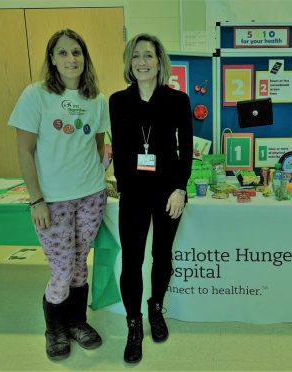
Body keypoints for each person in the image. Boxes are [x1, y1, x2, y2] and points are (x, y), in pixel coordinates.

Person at [8, 29, 110, 361]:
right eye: (63, 53)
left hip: (91, 196)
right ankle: (54, 329)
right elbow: (25, 151)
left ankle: (76, 323)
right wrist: (36, 198)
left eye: (76, 52)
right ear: (52, 59)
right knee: (63, 269)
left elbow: (97, 143)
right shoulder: (35, 95)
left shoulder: (97, 98)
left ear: (85, 57)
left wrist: (101, 176)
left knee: (80, 265)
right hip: (52, 200)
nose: (71, 59)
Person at [109, 33, 193, 364]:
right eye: (136, 56)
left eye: (148, 56)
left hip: (167, 192)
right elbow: (120, 151)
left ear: (159, 61)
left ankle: (155, 307)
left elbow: (185, 148)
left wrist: (180, 188)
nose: (142, 62)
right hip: (133, 193)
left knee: (161, 256)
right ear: (129, 63)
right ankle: (134, 325)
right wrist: (125, 187)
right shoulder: (117, 101)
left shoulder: (177, 100)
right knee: (131, 260)